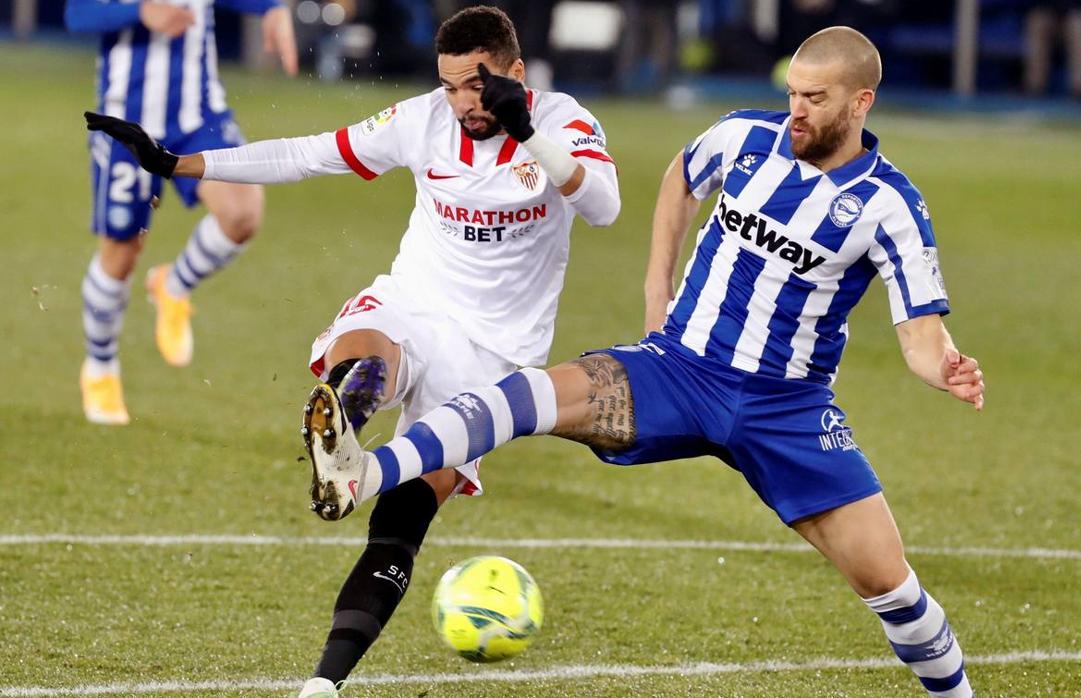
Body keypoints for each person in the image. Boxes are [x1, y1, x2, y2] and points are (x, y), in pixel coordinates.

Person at [306, 26, 984, 698]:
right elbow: (682, 179)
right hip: (678, 370)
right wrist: (656, 287)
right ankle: (362, 472)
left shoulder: (890, 205)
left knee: (889, 586)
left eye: (814, 98)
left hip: (788, 411)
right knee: (519, 399)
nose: (796, 110)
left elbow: (921, 336)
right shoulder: (744, 137)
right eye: (791, 93)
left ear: (861, 102)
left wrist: (947, 368)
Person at [86, 7, 619, 696]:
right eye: (451, 86)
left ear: (515, 73)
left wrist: (527, 132)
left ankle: (322, 687)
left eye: (478, 85)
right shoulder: (422, 120)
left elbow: (604, 206)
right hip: (414, 304)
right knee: (367, 360)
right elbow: (308, 153)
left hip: (494, 359)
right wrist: (181, 160)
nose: (463, 103)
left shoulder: (564, 121)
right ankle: (338, 435)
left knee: (402, 521)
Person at [66, 0, 298, 425]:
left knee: (242, 213)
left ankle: (173, 285)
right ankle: (100, 368)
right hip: (126, 119)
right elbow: (76, 13)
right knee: (121, 254)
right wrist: (139, 12)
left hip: (199, 116)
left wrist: (271, 7)